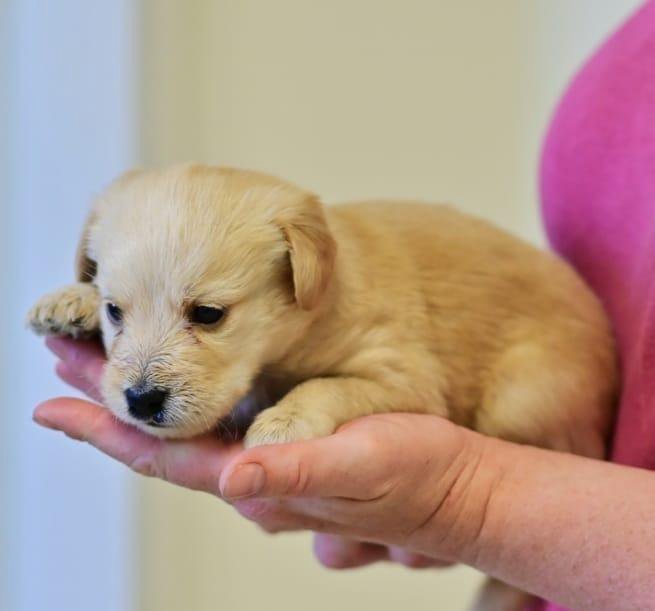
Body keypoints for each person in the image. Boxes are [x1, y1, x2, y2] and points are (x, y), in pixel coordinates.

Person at [33, 2, 655, 609]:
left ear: (306, 273)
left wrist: (473, 503)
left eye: (207, 316)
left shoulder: (342, 291)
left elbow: (407, 382)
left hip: (536, 381)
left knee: (525, 402)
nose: (144, 380)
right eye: (117, 310)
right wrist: (98, 311)